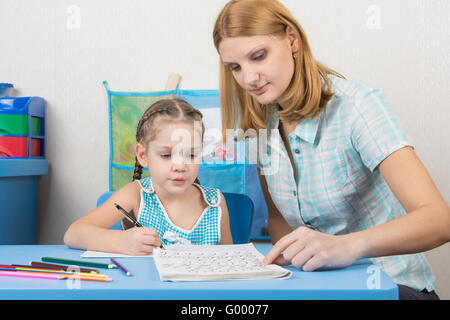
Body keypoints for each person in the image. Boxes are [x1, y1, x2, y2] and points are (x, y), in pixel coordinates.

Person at [213, 0, 449, 300]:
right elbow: (278, 219)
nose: (248, 78)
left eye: (258, 56)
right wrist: (290, 266)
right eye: (235, 67)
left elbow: (439, 220)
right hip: (321, 290)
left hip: (392, 286)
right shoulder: (258, 127)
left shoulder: (357, 106)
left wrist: (348, 246)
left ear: (291, 39)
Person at [64, 98, 233, 255]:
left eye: (191, 155)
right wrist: (122, 242)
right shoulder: (136, 195)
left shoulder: (215, 203)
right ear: (143, 155)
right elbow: (73, 234)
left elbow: (231, 261)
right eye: (166, 155)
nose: (181, 166)